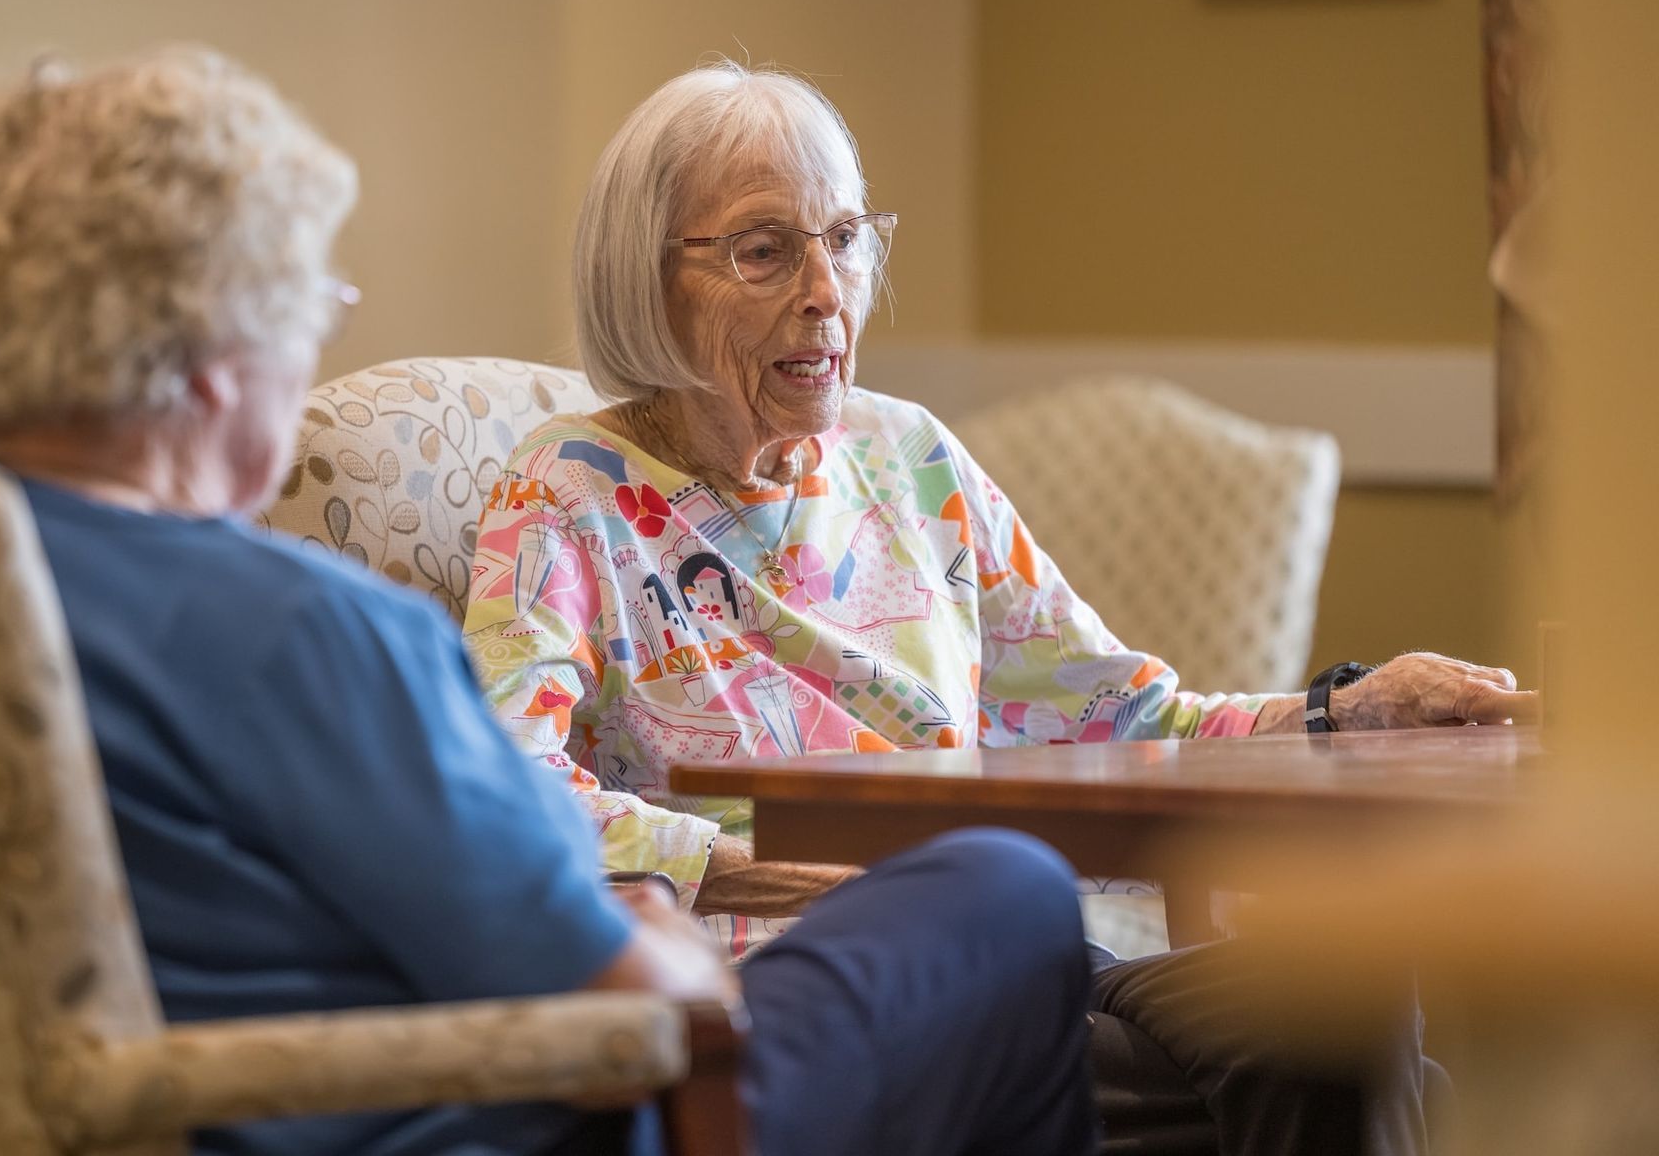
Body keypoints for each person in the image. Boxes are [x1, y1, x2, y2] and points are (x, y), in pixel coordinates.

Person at [0, 47, 1098, 1156]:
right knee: (1006, 888)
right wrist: (673, 937)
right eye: (310, 306)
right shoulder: (303, 634)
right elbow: (620, 994)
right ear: (215, 355)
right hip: (499, 1123)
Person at [462, 60, 1539, 1155]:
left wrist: (1343, 712)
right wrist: (762, 859)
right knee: (1383, 1082)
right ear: (647, 280)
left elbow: (1123, 715)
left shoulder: (908, 455)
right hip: (793, 989)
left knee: (1338, 1007)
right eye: (763, 248)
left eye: (844, 238)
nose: (826, 289)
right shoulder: (568, 492)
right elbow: (505, 794)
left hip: (1015, 953)